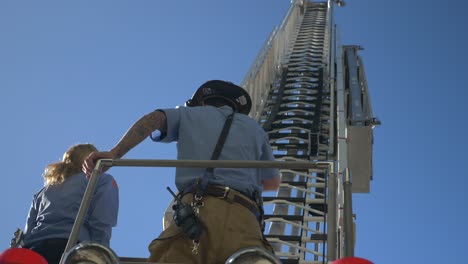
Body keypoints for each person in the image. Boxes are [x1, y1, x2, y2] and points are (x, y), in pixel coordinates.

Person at [83, 80, 281, 264]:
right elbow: (272, 183)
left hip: (196, 213)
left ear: (202, 102)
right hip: (243, 219)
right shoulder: (255, 130)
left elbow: (154, 119)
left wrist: (114, 153)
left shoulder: (189, 114)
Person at [23, 144, 119, 264]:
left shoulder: (42, 192)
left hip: (35, 252)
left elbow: (27, 234)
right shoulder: (102, 180)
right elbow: (101, 221)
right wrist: (99, 254)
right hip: (74, 251)